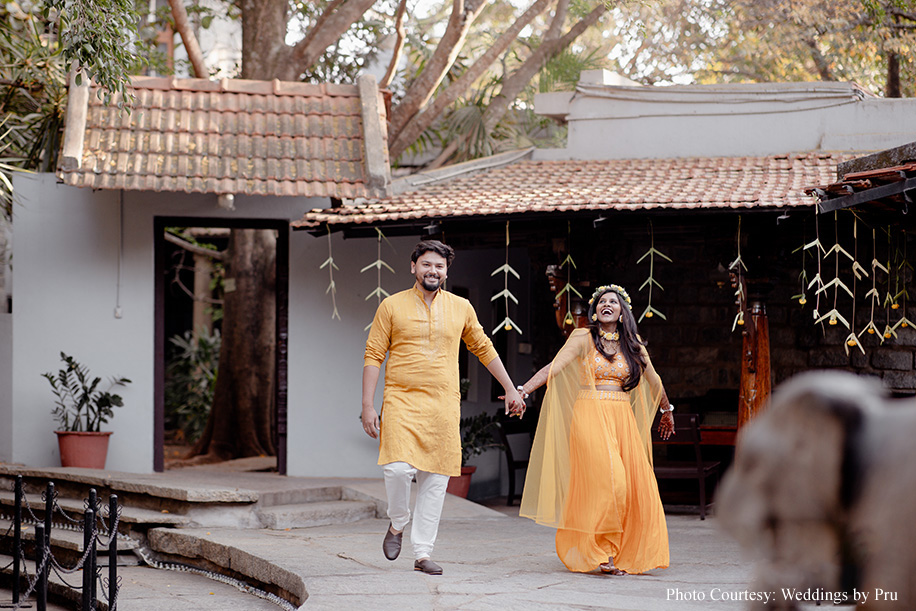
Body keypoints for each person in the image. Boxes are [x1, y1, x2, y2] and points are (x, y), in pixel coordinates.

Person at [361, 239, 524, 575]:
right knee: (396, 470)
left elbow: (483, 347)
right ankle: (398, 521)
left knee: (435, 481)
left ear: (446, 271)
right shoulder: (391, 306)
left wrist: (509, 387)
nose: (432, 271)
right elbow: (374, 355)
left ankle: (422, 553)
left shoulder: (461, 307)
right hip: (401, 400)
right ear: (413, 267)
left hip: (443, 404)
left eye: (439, 266)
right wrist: (367, 405)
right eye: (426, 264)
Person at [516, 283, 675, 575]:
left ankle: (613, 552)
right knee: (611, 482)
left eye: (613, 302)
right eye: (602, 301)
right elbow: (554, 367)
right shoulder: (582, 337)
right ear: (595, 309)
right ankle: (603, 553)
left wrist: (666, 409)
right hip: (589, 413)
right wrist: (523, 390)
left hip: (621, 417)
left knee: (631, 485)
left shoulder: (633, 343)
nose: (607, 305)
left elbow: (654, 379)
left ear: (622, 310)